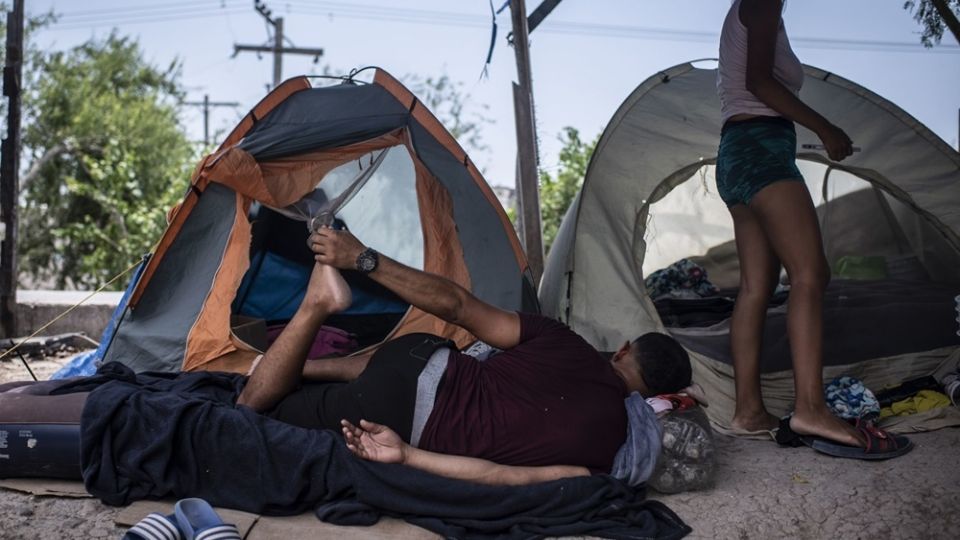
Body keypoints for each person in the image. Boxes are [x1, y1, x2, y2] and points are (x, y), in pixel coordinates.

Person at [236, 225, 694, 485]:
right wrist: (409, 457)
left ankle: (299, 356)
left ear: (625, 350)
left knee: (259, 400)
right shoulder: (602, 461)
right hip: (399, 413)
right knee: (255, 409)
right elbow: (500, 477)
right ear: (661, 399)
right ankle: (314, 314)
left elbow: (458, 307)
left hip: (424, 357)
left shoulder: (565, 341)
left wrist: (363, 259)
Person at [715, 0, 907, 456]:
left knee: (755, 288)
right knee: (810, 274)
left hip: (736, 152)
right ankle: (810, 408)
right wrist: (825, 128)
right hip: (761, 148)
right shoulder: (761, 2)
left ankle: (748, 412)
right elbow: (759, 81)